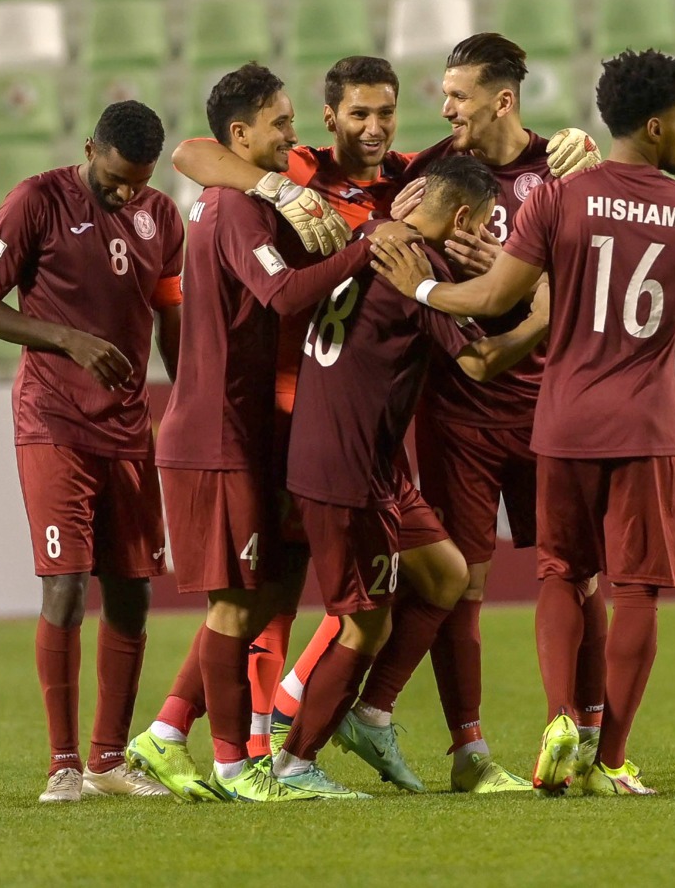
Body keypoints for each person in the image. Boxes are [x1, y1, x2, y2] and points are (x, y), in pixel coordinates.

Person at [371, 48, 675, 796]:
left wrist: (422, 283)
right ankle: (610, 755)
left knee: (558, 573)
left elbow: (495, 290)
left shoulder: (562, 198)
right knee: (631, 591)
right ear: (655, 126)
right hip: (643, 420)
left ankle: (562, 717)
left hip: (560, 414)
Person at [124, 63, 414, 803]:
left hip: (254, 428)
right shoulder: (235, 207)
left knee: (260, 595)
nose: (293, 137)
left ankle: (175, 739)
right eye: (281, 124)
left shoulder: (252, 198)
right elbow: (282, 295)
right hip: (220, 433)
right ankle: (235, 763)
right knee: (236, 604)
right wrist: (364, 249)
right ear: (244, 134)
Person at [271, 155, 551, 797]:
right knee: (365, 621)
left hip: (367, 463)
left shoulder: (370, 235)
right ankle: (294, 763)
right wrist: (541, 316)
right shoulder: (420, 267)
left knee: (447, 573)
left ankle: (370, 716)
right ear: (460, 217)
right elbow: (479, 364)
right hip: (348, 472)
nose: (481, 237)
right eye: (480, 225)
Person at [0, 101, 183, 803]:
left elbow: (170, 316)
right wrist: (67, 338)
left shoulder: (163, 218)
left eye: (138, 183)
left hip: (126, 428)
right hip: (53, 418)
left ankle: (108, 761)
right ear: (90, 148)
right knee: (66, 583)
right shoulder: (36, 200)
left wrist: (190, 402)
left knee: (134, 592)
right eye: (116, 179)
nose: (126, 194)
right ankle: (63, 764)